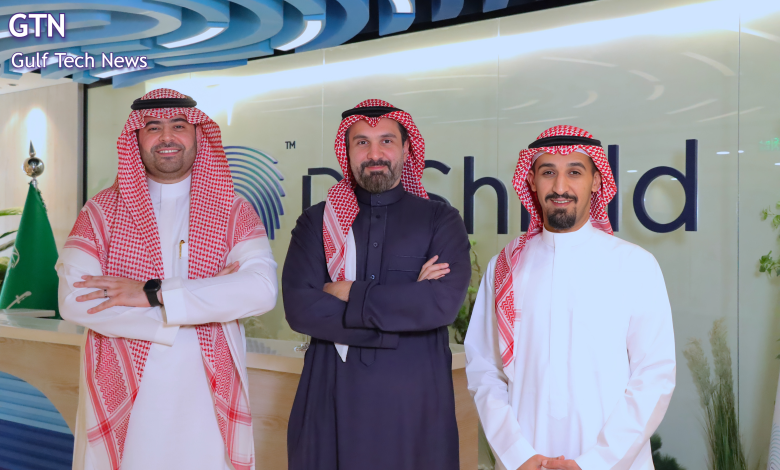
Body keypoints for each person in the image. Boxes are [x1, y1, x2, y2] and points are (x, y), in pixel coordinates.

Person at [57, 88, 278, 470]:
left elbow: (261, 290)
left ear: (196, 134)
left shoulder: (233, 209)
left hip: (206, 394)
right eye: (153, 127)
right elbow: (74, 300)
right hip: (123, 388)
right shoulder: (101, 211)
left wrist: (151, 294)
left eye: (178, 125)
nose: (167, 137)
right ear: (137, 138)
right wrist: (208, 299)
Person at [465, 125, 676, 470]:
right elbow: (484, 370)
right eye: (548, 172)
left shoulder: (634, 265)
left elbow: (654, 376)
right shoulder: (506, 268)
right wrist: (517, 454)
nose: (560, 187)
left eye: (574, 172)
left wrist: (595, 462)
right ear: (532, 180)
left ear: (596, 181)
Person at [282, 99, 471, 470]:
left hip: (414, 403)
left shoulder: (440, 219)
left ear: (406, 148)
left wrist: (349, 292)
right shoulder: (317, 222)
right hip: (331, 397)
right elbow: (300, 307)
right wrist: (405, 305)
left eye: (386, 141)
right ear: (347, 150)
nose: (374, 153)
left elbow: (440, 303)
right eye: (361, 142)